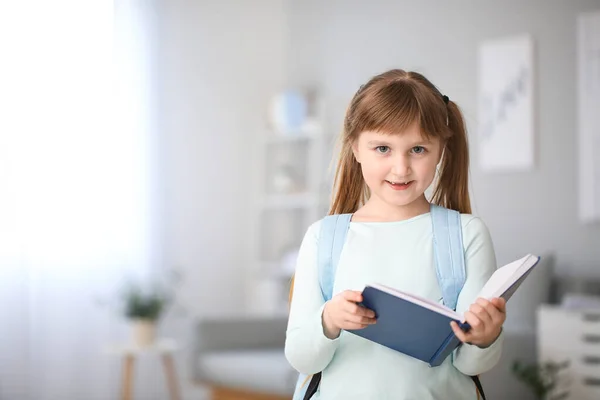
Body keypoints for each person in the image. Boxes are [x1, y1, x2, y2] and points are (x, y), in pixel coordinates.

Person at [285, 69, 505, 399]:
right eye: (383, 149)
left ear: (440, 150)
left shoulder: (466, 235)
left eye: (417, 149)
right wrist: (329, 320)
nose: (400, 168)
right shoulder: (323, 238)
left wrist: (484, 338)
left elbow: (470, 366)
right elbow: (301, 357)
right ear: (355, 148)